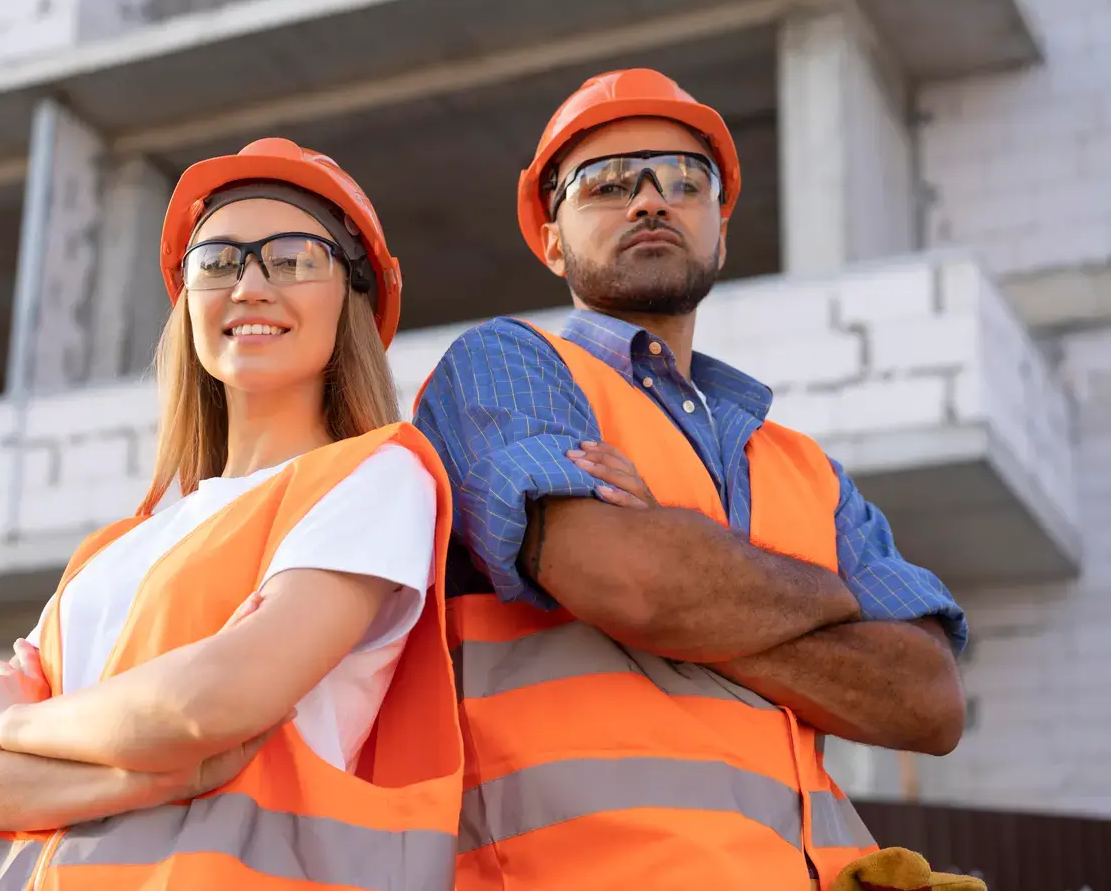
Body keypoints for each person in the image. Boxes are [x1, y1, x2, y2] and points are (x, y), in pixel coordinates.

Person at [412, 68, 968, 890]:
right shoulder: (505, 368)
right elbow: (626, 580)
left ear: (720, 228)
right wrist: (834, 600)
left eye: (683, 179)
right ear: (553, 238)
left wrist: (683, 556)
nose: (649, 200)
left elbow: (928, 699)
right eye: (605, 183)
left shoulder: (799, 464)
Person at [0, 138, 462, 890]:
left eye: (295, 258)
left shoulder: (375, 477)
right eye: (218, 262)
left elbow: (212, 704)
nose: (250, 285)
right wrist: (139, 780)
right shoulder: (111, 552)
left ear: (354, 298)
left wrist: (14, 728)